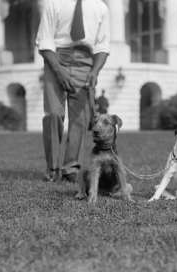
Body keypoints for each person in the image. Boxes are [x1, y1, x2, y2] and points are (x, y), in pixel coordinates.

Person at [36, 0, 110, 183]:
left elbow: (102, 45)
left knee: (80, 119)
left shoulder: (100, 7)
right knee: (53, 114)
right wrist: (59, 71)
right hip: (56, 59)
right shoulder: (53, 4)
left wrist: (95, 71)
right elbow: (44, 40)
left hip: (86, 61)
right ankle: (53, 168)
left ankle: (71, 168)